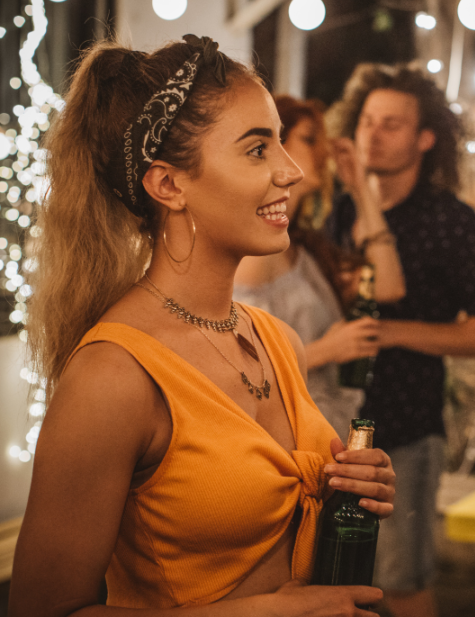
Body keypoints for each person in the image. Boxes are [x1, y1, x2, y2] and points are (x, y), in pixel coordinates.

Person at [10, 36, 395, 616]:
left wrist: (352, 487)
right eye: (257, 150)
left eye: (281, 144)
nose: (289, 172)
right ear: (168, 185)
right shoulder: (114, 376)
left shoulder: (277, 340)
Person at [327, 63, 475, 617]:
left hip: (406, 429)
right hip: (333, 424)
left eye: (391, 124)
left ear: (425, 138)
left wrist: (390, 334)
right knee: (336, 580)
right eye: (366, 121)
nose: (373, 135)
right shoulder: (340, 209)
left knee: (401, 584)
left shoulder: (450, 220)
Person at [234, 96, 406, 432]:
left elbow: (388, 286)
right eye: (310, 138)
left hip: (331, 428)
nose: (323, 150)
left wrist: (361, 189)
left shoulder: (300, 245)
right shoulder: (257, 248)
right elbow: (240, 370)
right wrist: (328, 350)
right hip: (290, 437)